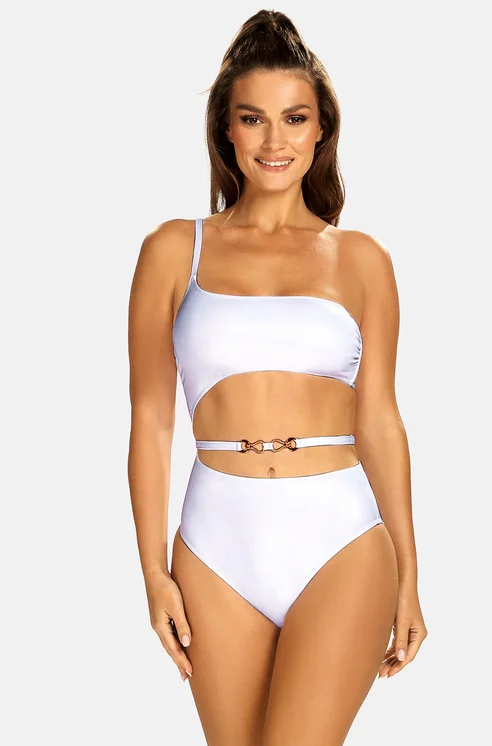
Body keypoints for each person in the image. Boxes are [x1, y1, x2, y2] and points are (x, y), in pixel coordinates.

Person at [128, 9, 427, 745]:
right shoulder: (173, 250)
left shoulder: (362, 259)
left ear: (321, 130)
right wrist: (152, 571)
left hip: (341, 539)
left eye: (294, 119)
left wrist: (411, 576)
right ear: (226, 130)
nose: (274, 141)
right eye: (252, 119)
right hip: (214, 543)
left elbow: (380, 419)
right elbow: (151, 420)